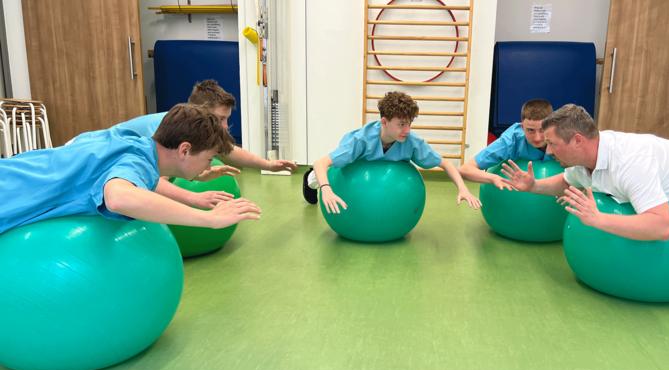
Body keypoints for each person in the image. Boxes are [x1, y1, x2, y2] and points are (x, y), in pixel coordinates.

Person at [500, 104, 669, 244]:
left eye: (553, 144)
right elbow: (565, 181)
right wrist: (532, 185)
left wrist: (598, 219)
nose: (548, 151)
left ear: (578, 141)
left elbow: (663, 227)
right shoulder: (586, 161)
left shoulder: (630, 162)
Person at [0, 104, 261, 234]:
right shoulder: (139, 160)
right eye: (210, 157)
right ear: (184, 150)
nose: (210, 164)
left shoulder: (133, 144)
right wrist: (208, 219)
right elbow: (119, 197)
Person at [72, 80, 297, 210]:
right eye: (220, 119)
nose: (226, 126)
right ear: (202, 111)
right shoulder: (172, 134)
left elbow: (227, 150)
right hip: (82, 153)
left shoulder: (192, 129)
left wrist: (268, 165)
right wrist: (195, 198)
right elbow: (153, 183)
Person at [302, 91, 481, 213]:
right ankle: (308, 179)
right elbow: (321, 163)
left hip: (384, 174)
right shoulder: (361, 141)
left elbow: (446, 164)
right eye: (401, 124)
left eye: (410, 124)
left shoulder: (411, 142)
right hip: (352, 167)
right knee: (316, 178)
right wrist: (326, 189)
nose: (407, 130)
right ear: (384, 122)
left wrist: (463, 189)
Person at [458, 99, 554, 189]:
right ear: (522, 127)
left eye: (542, 129)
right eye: (530, 130)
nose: (537, 137)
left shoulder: (563, 138)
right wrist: (493, 178)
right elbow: (465, 169)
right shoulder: (510, 142)